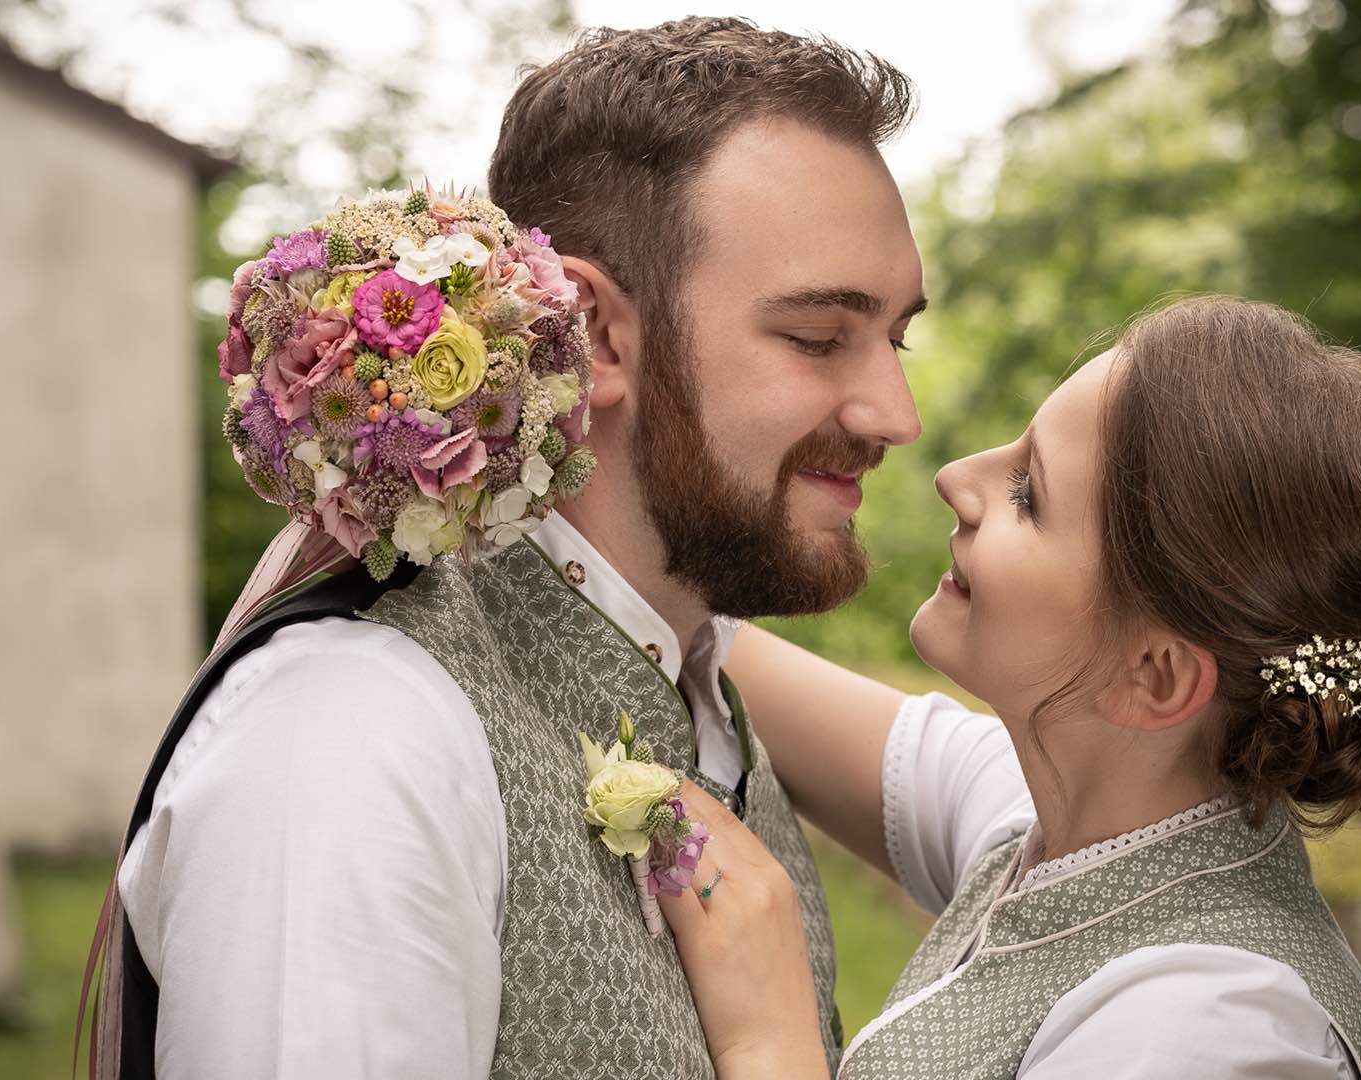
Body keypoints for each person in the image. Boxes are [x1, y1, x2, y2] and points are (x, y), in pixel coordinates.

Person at [102, 17, 927, 1079]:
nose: (894, 413)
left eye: (895, 338)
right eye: (819, 338)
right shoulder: (354, 739)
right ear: (593, 332)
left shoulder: (708, 704)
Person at [657, 295, 1361, 1079]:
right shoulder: (1065, 822)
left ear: (1156, 677)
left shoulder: (1212, 1033)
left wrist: (768, 1040)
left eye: (1030, 493)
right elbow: (715, 653)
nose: (955, 476)